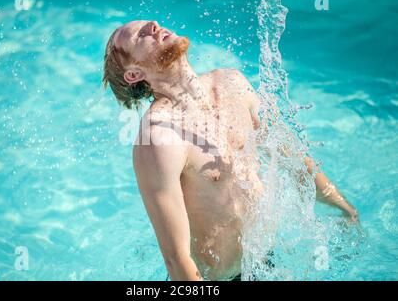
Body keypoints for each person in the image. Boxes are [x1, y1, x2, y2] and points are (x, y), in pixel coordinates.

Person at [102, 20, 359, 281]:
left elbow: (288, 155)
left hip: (265, 262)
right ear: (133, 74)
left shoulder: (232, 82)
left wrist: (345, 208)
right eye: (139, 36)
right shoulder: (157, 138)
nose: (154, 27)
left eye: (150, 23)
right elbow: (176, 259)